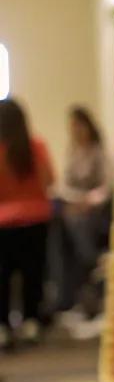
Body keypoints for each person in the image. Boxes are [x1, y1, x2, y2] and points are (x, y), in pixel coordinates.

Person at [0, 99, 55, 347]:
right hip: (36, 219)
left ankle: (2, 326)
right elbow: (50, 180)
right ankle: (31, 321)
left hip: (4, 223)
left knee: (3, 278)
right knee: (33, 273)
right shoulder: (37, 147)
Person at [52, 106, 112, 318]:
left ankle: (91, 261)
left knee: (77, 223)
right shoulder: (72, 153)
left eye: (78, 126)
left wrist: (88, 200)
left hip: (95, 211)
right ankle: (64, 294)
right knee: (60, 221)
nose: (75, 131)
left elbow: (106, 187)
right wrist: (74, 200)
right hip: (73, 207)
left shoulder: (99, 152)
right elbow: (63, 185)